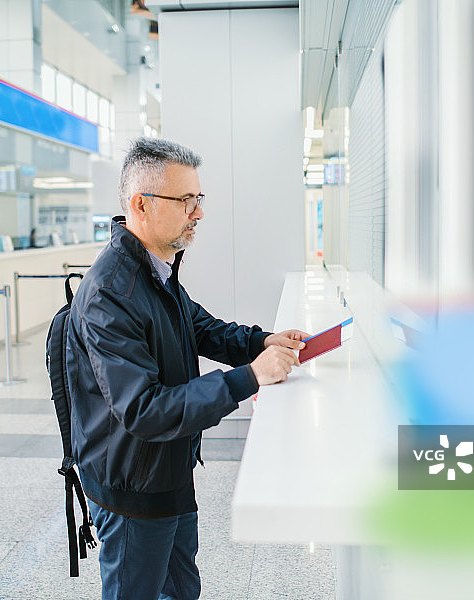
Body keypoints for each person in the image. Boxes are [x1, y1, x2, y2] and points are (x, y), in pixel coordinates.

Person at [66, 137, 307, 600]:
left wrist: (262, 341)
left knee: (181, 590)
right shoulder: (111, 293)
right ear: (141, 204)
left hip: (169, 468)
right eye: (185, 201)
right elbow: (143, 409)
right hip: (133, 486)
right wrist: (249, 376)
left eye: (199, 199)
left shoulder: (156, 271)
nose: (198, 213)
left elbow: (199, 327)